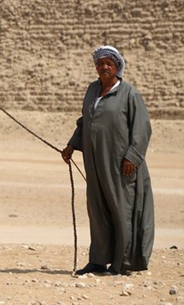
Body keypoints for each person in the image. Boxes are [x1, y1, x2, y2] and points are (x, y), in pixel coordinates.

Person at [61, 45, 154, 276]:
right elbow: (85, 120)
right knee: (98, 209)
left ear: (117, 67)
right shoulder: (93, 90)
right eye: (100, 63)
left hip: (121, 163)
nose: (104, 67)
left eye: (109, 64)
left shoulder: (129, 93)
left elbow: (142, 128)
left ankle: (121, 262)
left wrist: (132, 156)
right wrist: (72, 145)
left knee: (121, 209)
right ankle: (98, 260)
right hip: (94, 162)